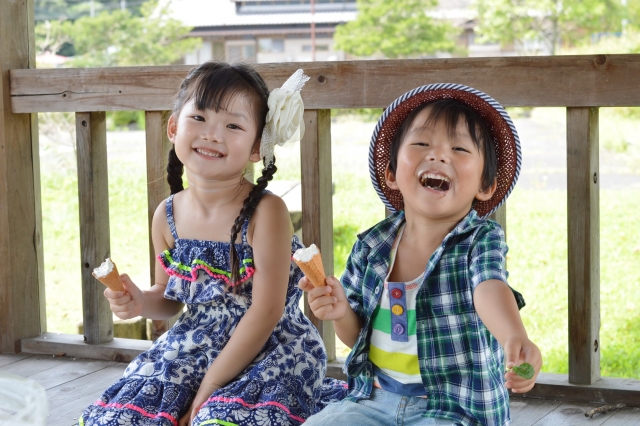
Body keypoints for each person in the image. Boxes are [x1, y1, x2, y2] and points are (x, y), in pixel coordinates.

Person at [79, 61, 346, 426]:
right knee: (123, 418)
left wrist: (211, 386)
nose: (213, 134)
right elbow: (169, 298)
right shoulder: (167, 215)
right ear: (174, 127)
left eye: (233, 125)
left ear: (256, 147)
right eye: (199, 118)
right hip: (193, 347)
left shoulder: (267, 212)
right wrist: (140, 300)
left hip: (272, 349)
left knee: (219, 420)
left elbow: (266, 312)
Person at [299, 83, 543, 426]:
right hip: (373, 400)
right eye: (421, 143)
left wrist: (513, 336)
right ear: (392, 174)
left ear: (485, 186)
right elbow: (359, 338)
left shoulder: (479, 240)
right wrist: (340, 312)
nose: (438, 155)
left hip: (455, 409)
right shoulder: (371, 247)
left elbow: (489, 286)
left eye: (459, 148)